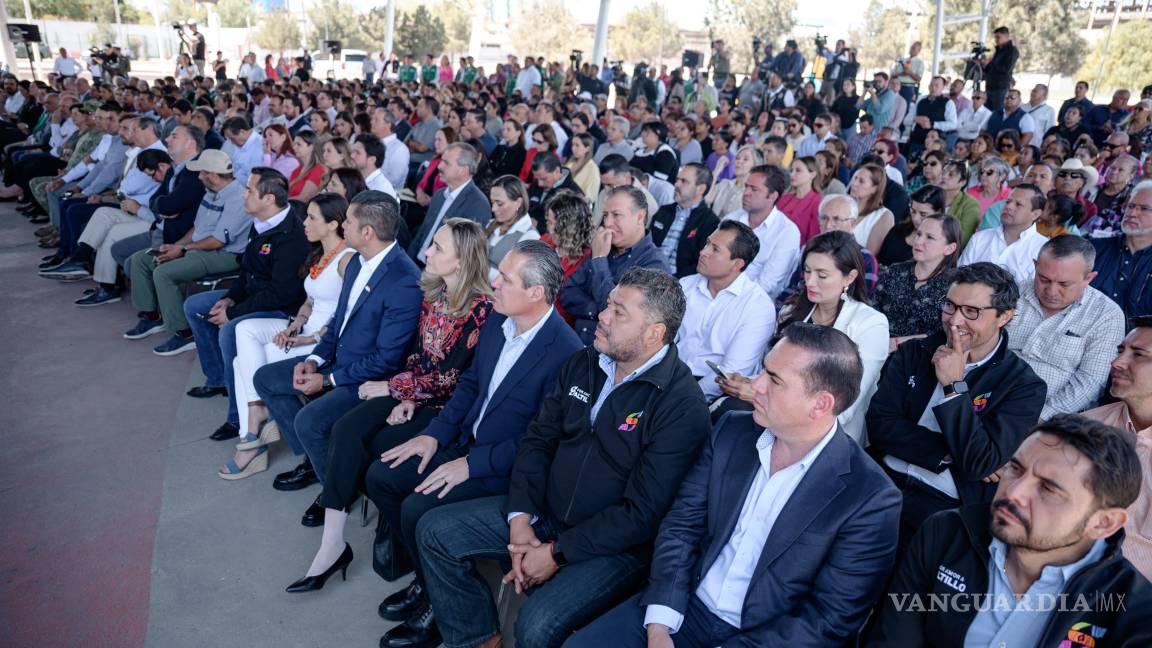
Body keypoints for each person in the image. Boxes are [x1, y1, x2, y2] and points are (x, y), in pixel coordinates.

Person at [398, 267, 710, 648]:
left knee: (536, 625)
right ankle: (479, 638)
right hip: (545, 513)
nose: (602, 316)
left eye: (619, 312)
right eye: (608, 304)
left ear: (654, 334)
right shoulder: (585, 362)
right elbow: (538, 442)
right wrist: (520, 519)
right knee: (434, 532)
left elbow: (641, 515)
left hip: (614, 548)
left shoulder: (681, 405)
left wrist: (555, 553)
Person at [571, 323, 902, 648]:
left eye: (774, 379)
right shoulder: (732, 430)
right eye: (764, 370)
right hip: (682, 607)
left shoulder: (870, 498)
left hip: (766, 636)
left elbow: (828, 619)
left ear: (821, 404)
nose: (756, 384)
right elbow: (682, 527)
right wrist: (660, 624)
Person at [286, 217, 493, 589]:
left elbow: (452, 379)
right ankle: (333, 543)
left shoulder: (481, 311)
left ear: (461, 261)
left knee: (374, 450)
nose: (426, 252)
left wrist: (394, 388)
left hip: (444, 409)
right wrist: (405, 394)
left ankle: (407, 549)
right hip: (413, 393)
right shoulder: (434, 294)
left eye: (438, 248)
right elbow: (416, 356)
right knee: (345, 429)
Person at [867, 415, 1152, 647]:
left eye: (1048, 488)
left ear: (1104, 523)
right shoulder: (947, 532)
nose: (1013, 492)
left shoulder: (1136, 613)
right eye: (1015, 468)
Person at [254, 191, 423, 504]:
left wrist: (328, 380)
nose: (342, 225)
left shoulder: (404, 280)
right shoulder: (356, 262)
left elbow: (388, 360)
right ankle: (319, 463)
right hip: (337, 360)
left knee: (309, 421)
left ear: (367, 232)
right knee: (265, 378)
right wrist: (315, 360)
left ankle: (336, 494)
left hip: (368, 378)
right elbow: (338, 321)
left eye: (348, 221)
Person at [867, 262, 1047, 542]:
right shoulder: (916, 351)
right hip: (881, 477)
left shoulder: (1023, 385)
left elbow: (978, 462)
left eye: (971, 311)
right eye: (950, 305)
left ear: (1004, 316)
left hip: (944, 502)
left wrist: (954, 387)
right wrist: (951, 452)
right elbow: (879, 425)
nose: (954, 320)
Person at [216, 193, 357, 478]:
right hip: (304, 328)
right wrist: (296, 324)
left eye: (312, 218)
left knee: (242, 364)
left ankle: (251, 437)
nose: (304, 223)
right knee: (243, 329)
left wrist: (312, 338)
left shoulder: (346, 259)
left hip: (323, 342)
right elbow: (309, 301)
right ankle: (257, 414)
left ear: (333, 224)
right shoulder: (319, 254)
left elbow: (348, 312)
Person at [122, 150, 250, 350]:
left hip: (226, 255)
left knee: (164, 272)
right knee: (141, 260)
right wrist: (176, 246)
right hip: (201, 249)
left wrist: (182, 249)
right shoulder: (211, 192)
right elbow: (197, 228)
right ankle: (151, 317)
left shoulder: (237, 198)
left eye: (201, 173)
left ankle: (185, 334)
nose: (198, 177)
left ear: (212, 175)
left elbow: (217, 241)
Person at [1005, 235, 1124, 420]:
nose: (1051, 291)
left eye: (1064, 284)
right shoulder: (1015, 293)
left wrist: (1042, 418)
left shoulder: (1106, 314)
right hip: (990, 395)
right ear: (1035, 266)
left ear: (1089, 278)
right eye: (1043, 279)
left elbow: (1091, 382)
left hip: (1050, 418)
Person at [674, 219, 774, 403]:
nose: (703, 252)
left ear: (737, 264)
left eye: (715, 249)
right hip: (670, 373)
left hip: (711, 390)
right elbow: (663, 340)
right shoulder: (685, 285)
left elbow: (732, 371)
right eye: (707, 243)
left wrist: (685, 399)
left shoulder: (758, 306)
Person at [1081, 317, 1152, 578]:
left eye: (1138, 354)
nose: (1117, 363)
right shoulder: (1087, 428)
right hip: (1073, 575)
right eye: (1120, 351)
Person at [560, 185, 669, 343]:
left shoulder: (654, 263)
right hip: (576, 342)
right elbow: (567, 292)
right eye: (605, 215)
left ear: (640, 217)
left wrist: (599, 260)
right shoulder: (605, 246)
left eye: (616, 215)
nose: (608, 223)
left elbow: (618, 314)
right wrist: (595, 310)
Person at [875, 213, 961, 353]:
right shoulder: (895, 271)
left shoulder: (955, 286)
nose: (919, 241)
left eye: (930, 237)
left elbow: (947, 333)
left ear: (949, 248)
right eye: (919, 234)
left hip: (922, 355)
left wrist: (898, 343)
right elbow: (872, 308)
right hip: (877, 344)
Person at [721, 165, 800, 300]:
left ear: (772, 196)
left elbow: (767, 284)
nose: (746, 193)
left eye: (754, 189)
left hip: (752, 301)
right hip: (717, 289)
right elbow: (713, 257)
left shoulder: (787, 232)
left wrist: (728, 297)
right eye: (746, 186)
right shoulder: (732, 218)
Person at [960, 183, 1049, 284]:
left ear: (1035, 214)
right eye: (1008, 201)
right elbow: (960, 277)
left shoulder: (1043, 249)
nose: (1008, 206)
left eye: (1018, 204)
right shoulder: (979, 238)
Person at [1090, 181, 1152, 320]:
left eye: (1144, 208)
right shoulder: (1092, 248)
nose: (1132, 213)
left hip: (1135, 334)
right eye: (1130, 206)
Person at [650, 163, 718, 278]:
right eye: (677, 180)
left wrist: (673, 281)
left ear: (700, 189)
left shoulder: (710, 222)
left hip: (679, 282)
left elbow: (700, 264)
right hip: (647, 273)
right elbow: (647, 245)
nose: (676, 184)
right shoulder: (664, 211)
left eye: (684, 181)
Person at [485, 175, 540, 280]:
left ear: (518, 203)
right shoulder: (491, 224)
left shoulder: (530, 237)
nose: (493, 209)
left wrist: (480, 269)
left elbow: (516, 280)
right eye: (492, 202)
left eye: (499, 204)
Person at [878, 185, 946, 266]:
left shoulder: (942, 244)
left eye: (923, 214)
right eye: (913, 211)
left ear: (939, 212)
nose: (916, 218)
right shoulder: (898, 230)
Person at [848, 163, 894, 256]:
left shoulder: (884, 216)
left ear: (875, 189)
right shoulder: (846, 205)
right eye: (855, 178)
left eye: (861, 181)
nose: (854, 183)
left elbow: (870, 255)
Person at [704, 145, 759, 219]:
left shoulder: (752, 193)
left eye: (745, 159)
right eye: (737, 158)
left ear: (754, 166)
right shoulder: (725, 184)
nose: (739, 161)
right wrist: (717, 170)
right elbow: (707, 198)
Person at [981, 27, 1019, 112]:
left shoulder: (1012, 50)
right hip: (990, 87)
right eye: (995, 37)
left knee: (998, 113)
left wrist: (990, 64)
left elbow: (1005, 69)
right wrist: (984, 64)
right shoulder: (998, 50)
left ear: (1006, 36)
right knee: (988, 114)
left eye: (998, 37)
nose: (996, 40)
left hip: (1000, 88)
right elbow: (990, 69)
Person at [350, 133, 397, 200]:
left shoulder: (380, 190)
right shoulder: (355, 178)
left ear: (372, 160)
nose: (352, 156)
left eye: (358, 153)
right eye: (353, 151)